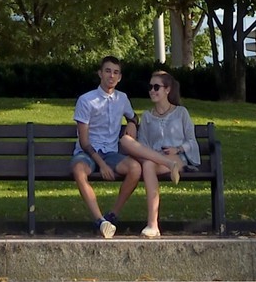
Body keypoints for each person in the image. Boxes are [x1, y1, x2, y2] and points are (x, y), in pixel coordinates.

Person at [120, 67, 200, 239]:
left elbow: (192, 141)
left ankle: (152, 224)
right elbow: (143, 144)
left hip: (178, 157)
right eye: (150, 87)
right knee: (147, 162)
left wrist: (177, 149)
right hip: (155, 159)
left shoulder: (181, 113)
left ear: (167, 90)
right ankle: (153, 225)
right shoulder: (147, 116)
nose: (152, 91)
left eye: (156, 87)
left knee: (149, 164)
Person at [71, 53, 143, 237]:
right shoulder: (86, 100)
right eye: (108, 71)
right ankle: (99, 221)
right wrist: (101, 165)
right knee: (79, 170)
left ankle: (112, 215)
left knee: (135, 168)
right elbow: (84, 141)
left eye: (116, 72)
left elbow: (133, 115)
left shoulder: (122, 98)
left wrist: (133, 124)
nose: (111, 76)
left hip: (111, 153)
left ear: (119, 78)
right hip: (88, 153)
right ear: (100, 74)